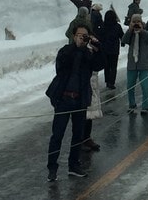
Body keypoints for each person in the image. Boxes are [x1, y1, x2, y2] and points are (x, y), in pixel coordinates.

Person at [46, 24, 104, 181]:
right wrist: (77, 48)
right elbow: (61, 67)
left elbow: (99, 65)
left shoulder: (88, 54)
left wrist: (98, 47)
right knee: (57, 135)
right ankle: (52, 167)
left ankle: (73, 165)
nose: (82, 38)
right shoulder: (66, 51)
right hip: (63, 99)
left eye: (85, 35)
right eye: (80, 35)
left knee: (78, 134)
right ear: (73, 36)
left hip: (80, 100)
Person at [122, 14, 148, 115]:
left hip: (143, 64)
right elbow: (123, 40)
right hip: (132, 64)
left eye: (138, 22)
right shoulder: (130, 33)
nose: (136, 24)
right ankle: (132, 104)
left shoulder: (146, 32)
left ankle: (145, 106)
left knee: (145, 86)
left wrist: (142, 31)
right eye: (134, 22)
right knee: (130, 86)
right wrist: (130, 30)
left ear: (141, 23)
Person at [100, 9, 124, 89]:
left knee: (106, 66)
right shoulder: (117, 26)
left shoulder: (103, 26)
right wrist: (123, 43)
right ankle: (112, 82)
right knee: (113, 67)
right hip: (114, 49)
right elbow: (122, 36)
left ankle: (107, 81)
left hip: (105, 49)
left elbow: (100, 37)